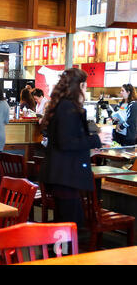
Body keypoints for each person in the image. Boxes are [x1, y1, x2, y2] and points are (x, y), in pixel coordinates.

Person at [40, 68, 111, 228]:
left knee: (65, 224)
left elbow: (66, 140)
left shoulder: (61, 106)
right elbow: (67, 143)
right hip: (66, 176)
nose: (86, 90)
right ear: (80, 86)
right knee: (69, 225)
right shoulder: (68, 108)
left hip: (61, 175)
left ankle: (60, 251)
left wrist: (90, 148)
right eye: (85, 86)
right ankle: (65, 252)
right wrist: (96, 139)